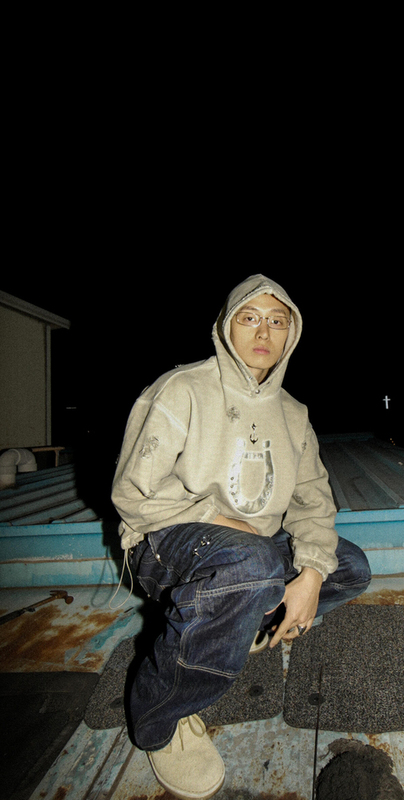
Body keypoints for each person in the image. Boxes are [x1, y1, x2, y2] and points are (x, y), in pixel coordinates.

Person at [111, 274, 372, 799]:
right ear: (226, 326)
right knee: (252, 564)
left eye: (278, 320)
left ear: (292, 333)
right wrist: (216, 517)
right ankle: (160, 715)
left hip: (249, 551)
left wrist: (311, 574)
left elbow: (313, 501)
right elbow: (132, 493)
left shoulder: (293, 413)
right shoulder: (182, 389)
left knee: (348, 566)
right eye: (250, 317)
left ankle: (237, 621)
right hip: (165, 541)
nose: (264, 331)